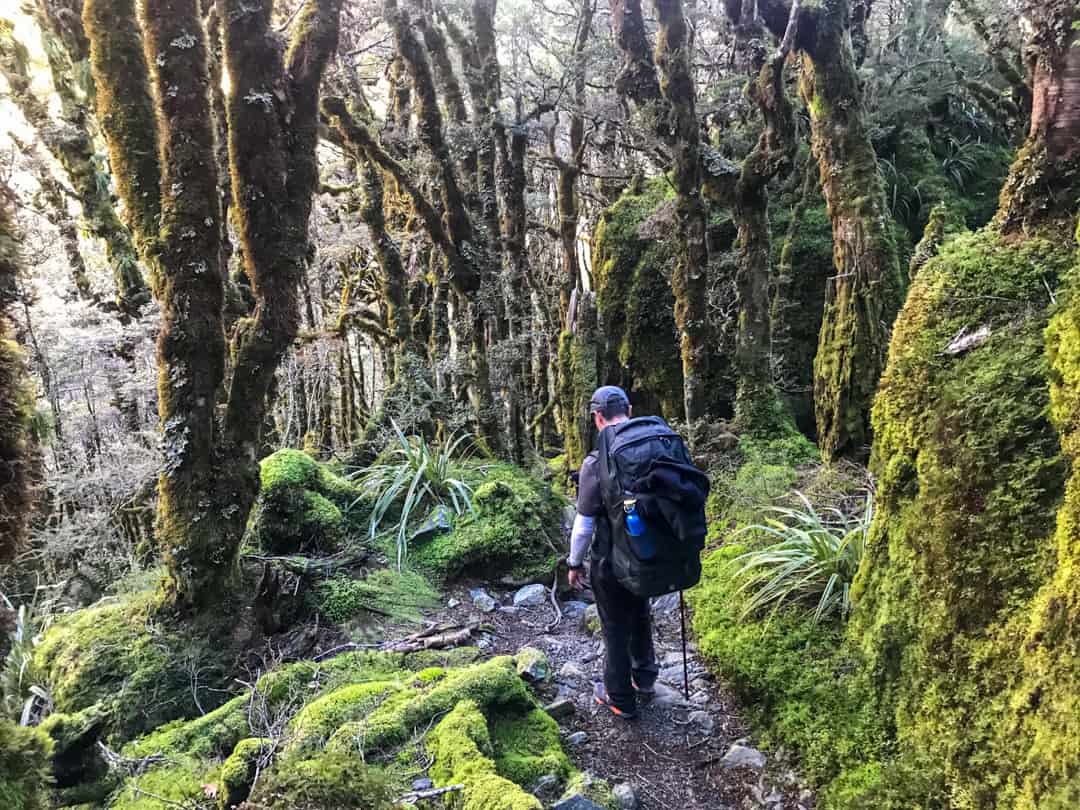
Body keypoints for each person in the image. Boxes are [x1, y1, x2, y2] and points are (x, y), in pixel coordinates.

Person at [567, 385, 658, 719]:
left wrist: (574, 563)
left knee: (615, 626)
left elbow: (584, 525)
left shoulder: (596, 463)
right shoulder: (652, 447)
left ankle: (619, 697)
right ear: (630, 410)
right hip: (648, 554)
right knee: (641, 612)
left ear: (597, 417)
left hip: (611, 561)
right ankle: (645, 678)